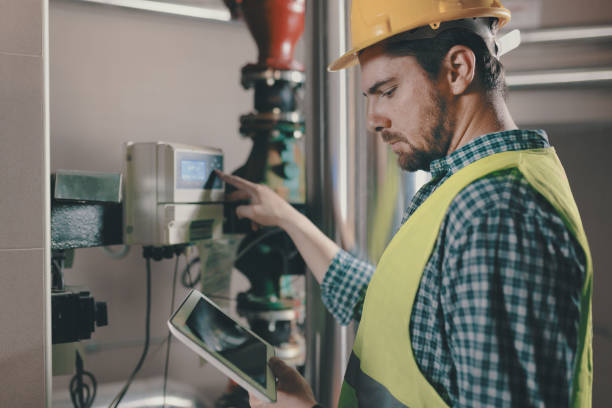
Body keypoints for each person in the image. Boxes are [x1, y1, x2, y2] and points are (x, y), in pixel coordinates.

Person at [217, 0, 593, 407]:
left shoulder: (496, 215)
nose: (372, 119)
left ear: (458, 70)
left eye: (387, 91)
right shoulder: (467, 187)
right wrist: (288, 218)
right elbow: (399, 312)